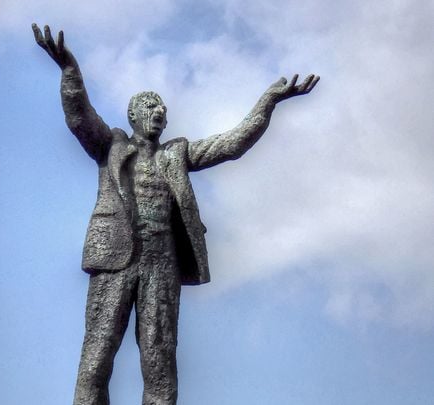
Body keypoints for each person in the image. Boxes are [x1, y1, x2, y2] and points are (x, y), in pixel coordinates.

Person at [32, 24, 319, 405]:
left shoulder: (176, 154)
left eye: (163, 110)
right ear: (134, 115)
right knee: (96, 360)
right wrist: (70, 71)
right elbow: (79, 117)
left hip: (160, 263)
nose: (160, 113)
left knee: (159, 361)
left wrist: (267, 102)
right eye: (152, 107)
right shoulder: (111, 144)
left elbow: (231, 144)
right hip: (115, 258)